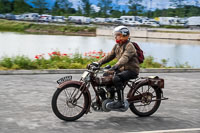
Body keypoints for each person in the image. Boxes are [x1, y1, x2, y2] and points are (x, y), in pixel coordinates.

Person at [97, 25, 140, 109]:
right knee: (106, 75)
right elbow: (109, 56)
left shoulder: (129, 46)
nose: (116, 36)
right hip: (122, 69)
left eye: (118, 35)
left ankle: (120, 102)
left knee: (116, 78)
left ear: (124, 35)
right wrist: (98, 63)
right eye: (116, 35)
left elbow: (125, 58)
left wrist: (115, 66)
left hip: (131, 70)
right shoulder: (117, 46)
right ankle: (111, 97)